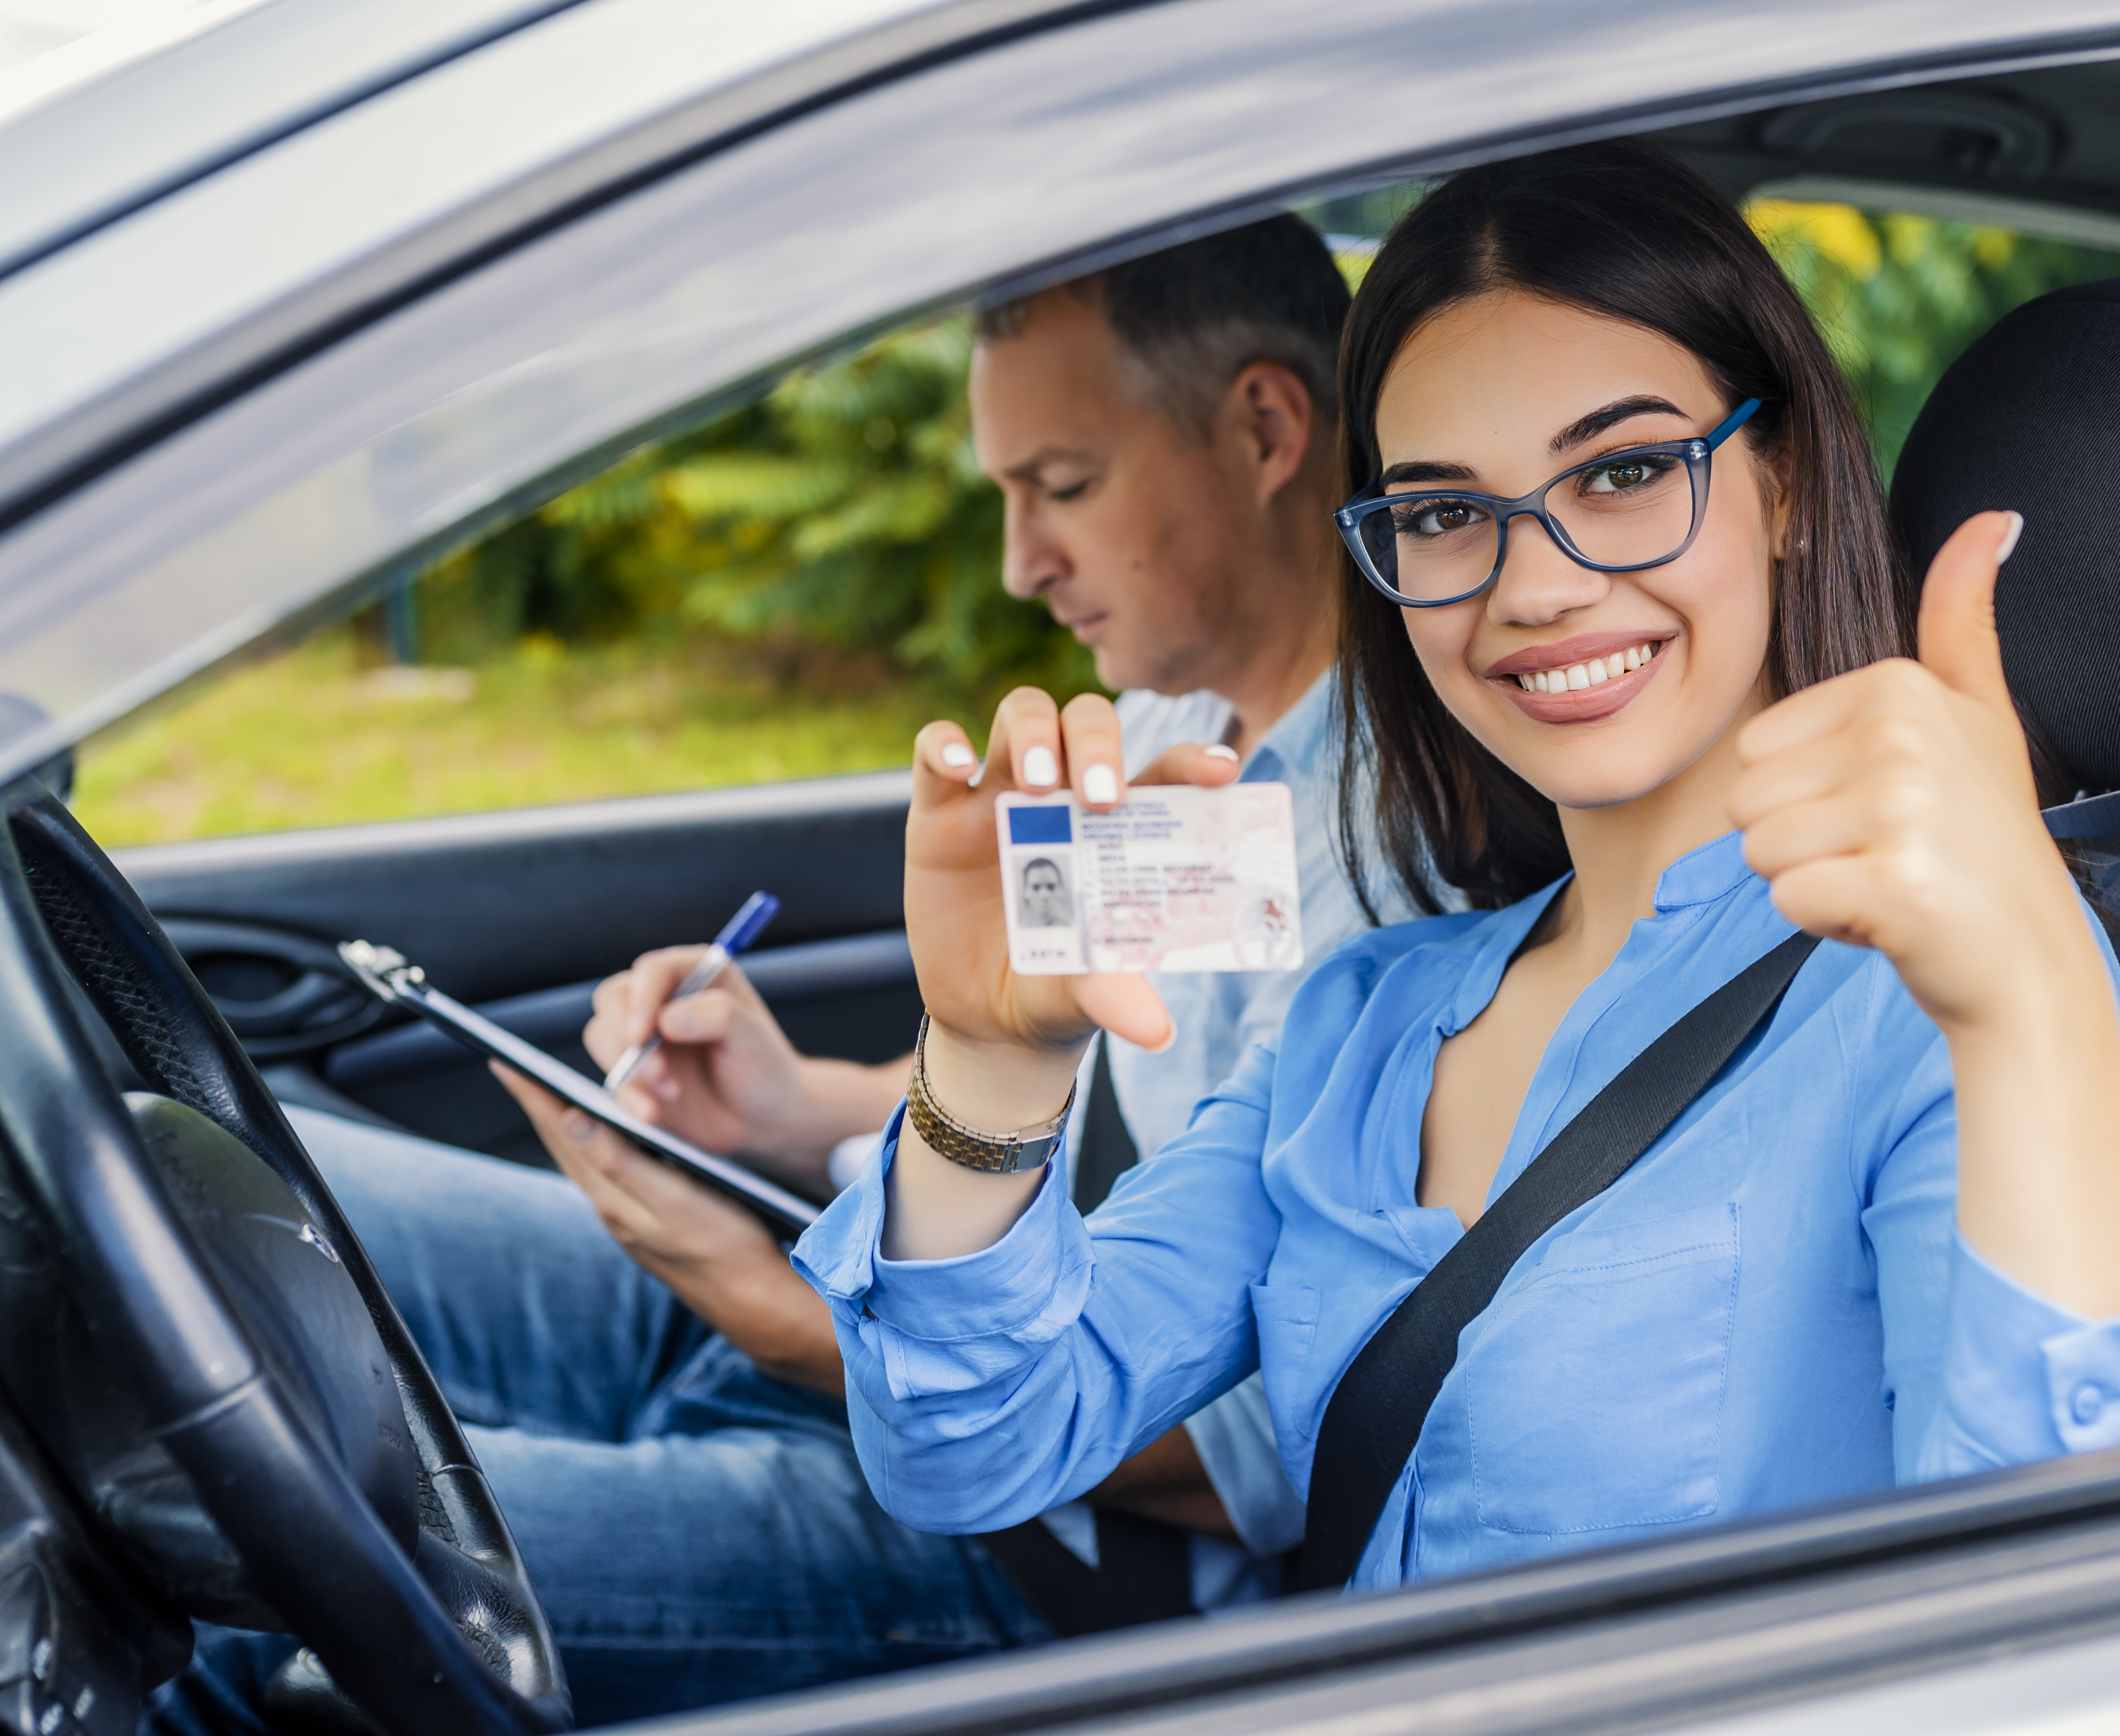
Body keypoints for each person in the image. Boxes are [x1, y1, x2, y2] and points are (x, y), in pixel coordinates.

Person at [793, 143, 2120, 1589]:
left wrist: (2031, 986)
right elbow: (968, 1450)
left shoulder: (1953, 1001)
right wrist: (983, 1062)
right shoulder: (1362, 1024)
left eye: (1622, 472)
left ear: (1782, 480)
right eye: (1443, 513)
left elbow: (2075, 1629)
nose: (1532, 587)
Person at [150, 215, 1376, 1733]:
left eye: (1062, 487)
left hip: (1039, 1538)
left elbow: (1260, 1448)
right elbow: (1108, 1106)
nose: (1019, 562)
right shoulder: (1184, 732)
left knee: (239, 1594)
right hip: (860, 1287)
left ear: (1265, 426)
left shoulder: (1390, 869)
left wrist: (775, 1318)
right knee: (216, 1195)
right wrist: (788, 1111)